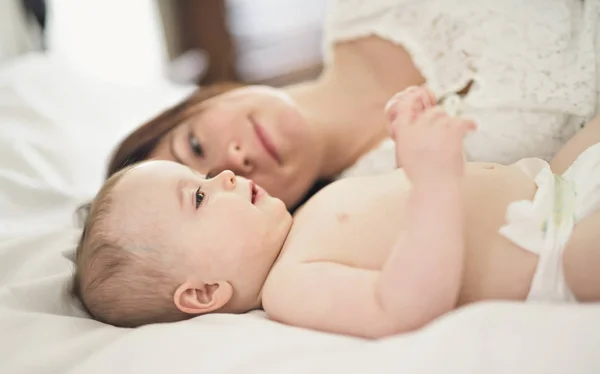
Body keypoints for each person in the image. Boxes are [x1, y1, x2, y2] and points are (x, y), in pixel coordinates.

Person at [72, 86, 600, 338]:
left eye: (204, 175)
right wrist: (434, 182)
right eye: (200, 196)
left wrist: (416, 149)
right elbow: (402, 305)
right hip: (551, 255)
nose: (226, 175)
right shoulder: (290, 289)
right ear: (204, 292)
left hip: (554, 184)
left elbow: (406, 218)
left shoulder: (305, 221)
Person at [107, 0, 599, 210]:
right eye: (207, 191)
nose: (232, 161)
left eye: (194, 146)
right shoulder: (392, 197)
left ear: (201, 100)